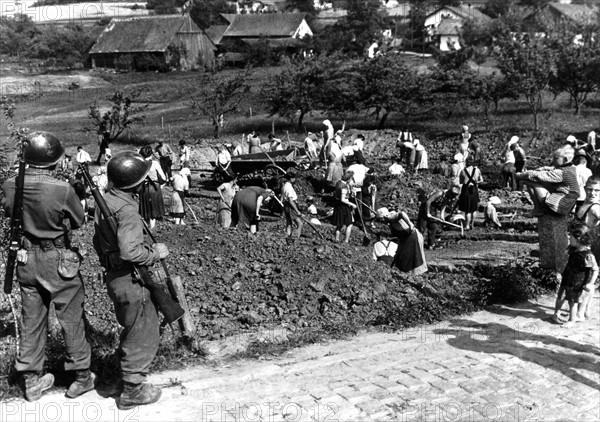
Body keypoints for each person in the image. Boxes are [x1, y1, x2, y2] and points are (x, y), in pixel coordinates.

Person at [2, 131, 93, 402]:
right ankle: (81, 378)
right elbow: (78, 221)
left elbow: (9, 212)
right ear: (53, 160)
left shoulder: (10, 185)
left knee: (32, 321)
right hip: (57, 259)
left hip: (26, 260)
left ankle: (31, 380)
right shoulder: (61, 189)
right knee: (71, 319)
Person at [92, 151, 168, 409]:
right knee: (143, 332)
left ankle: (121, 380)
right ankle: (133, 390)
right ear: (136, 183)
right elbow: (130, 250)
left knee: (132, 329)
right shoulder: (127, 209)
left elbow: (98, 242)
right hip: (132, 278)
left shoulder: (106, 202)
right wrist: (155, 252)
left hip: (116, 277)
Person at [551, 222, 598, 327]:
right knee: (560, 296)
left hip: (577, 282)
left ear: (579, 238)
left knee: (573, 302)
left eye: (571, 237)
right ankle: (555, 313)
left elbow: (595, 270)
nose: (569, 238)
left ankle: (571, 320)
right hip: (567, 278)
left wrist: (590, 283)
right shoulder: (573, 250)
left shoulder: (588, 256)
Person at [516, 146, 579, 217]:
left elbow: (536, 175)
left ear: (565, 159)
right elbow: (550, 169)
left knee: (531, 181)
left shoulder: (561, 173)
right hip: (567, 205)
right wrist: (542, 169)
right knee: (534, 180)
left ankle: (538, 209)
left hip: (560, 206)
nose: (553, 160)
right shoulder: (571, 169)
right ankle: (537, 209)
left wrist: (519, 176)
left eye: (556, 158)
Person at [574, 177, 600, 319]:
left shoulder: (596, 207)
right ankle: (586, 309)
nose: (593, 193)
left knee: (588, 280)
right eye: (590, 189)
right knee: (583, 279)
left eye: (597, 190)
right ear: (585, 188)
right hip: (579, 247)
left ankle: (581, 312)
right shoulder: (583, 204)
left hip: (590, 248)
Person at [383, 208, 428, 276]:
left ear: (385, 216)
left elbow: (402, 213)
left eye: (381, 219)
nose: (381, 221)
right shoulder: (389, 221)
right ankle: (404, 274)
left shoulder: (391, 217)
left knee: (414, 256)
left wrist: (410, 224)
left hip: (412, 236)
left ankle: (415, 275)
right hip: (406, 238)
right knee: (401, 256)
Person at [417, 185, 460, 250]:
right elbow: (428, 202)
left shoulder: (448, 197)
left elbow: (443, 206)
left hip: (433, 210)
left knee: (433, 226)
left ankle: (431, 244)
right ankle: (417, 244)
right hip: (425, 208)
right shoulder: (440, 193)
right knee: (422, 227)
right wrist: (428, 213)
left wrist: (442, 217)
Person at [139, 146, 166, 229]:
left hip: (143, 188)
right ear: (151, 154)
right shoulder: (155, 163)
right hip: (154, 188)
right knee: (153, 212)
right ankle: (152, 229)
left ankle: (146, 229)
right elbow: (164, 178)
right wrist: (161, 185)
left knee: (145, 211)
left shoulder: (140, 164)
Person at [458, 157, 483, 230]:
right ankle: (472, 224)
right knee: (474, 209)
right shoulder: (477, 170)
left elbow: (461, 182)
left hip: (466, 190)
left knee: (467, 210)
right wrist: (476, 182)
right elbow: (481, 180)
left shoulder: (463, 171)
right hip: (474, 190)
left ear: (466, 162)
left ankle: (467, 225)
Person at [332, 170, 357, 243]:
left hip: (338, 206)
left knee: (339, 224)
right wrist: (353, 204)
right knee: (349, 224)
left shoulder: (338, 183)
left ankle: (336, 239)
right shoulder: (344, 187)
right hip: (344, 206)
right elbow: (343, 199)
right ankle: (346, 241)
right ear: (349, 178)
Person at [281, 171, 303, 240]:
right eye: (294, 178)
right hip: (291, 206)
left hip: (286, 206)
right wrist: (297, 211)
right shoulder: (289, 188)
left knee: (289, 223)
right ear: (291, 179)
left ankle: (288, 236)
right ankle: (296, 237)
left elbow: (282, 198)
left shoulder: (284, 186)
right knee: (300, 223)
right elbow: (291, 200)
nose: (294, 179)